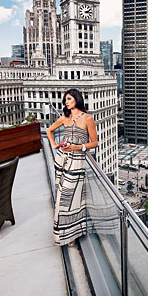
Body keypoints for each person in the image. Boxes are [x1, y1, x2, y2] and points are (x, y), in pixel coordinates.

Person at [47, 88, 98, 247]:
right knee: (61, 197)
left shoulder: (88, 118)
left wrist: (76, 147)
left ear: (77, 99)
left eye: (69, 99)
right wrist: (55, 145)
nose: (66, 102)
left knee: (71, 198)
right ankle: (64, 234)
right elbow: (49, 130)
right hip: (61, 160)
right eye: (65, 100)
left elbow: (94, 143)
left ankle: (72, 233)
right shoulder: (64, 117)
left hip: (77, 162)